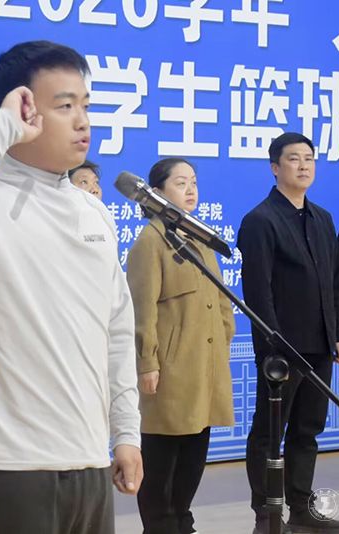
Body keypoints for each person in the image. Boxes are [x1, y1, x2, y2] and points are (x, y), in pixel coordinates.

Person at [0, 40, 142, 534]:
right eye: (64, 106)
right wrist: (1, 124)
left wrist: (125, 432)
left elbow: (117, 331)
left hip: (87, 458)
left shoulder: (94, 212)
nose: (82, 121)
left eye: (85, 105)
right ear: (23, 112)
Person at [238, 132, 339, 534]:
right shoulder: (260, 220)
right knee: (270, 433)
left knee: (308, 430)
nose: (303, 166)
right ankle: (267, 515)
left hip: (320, 345)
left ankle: (302, 509)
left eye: (309, 158)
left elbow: (333, 282)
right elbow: (258, 292)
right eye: (293, 159)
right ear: (274, 167)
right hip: (282, 352)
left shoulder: (322, 218)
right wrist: (272, 347)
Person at [127, 158, 234, 534]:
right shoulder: (150, 242)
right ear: (157, 192)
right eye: (180, 183)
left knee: (194, 450)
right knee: (161, 457)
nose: (190, 190)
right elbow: (142, 310)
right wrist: (147, 362)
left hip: (205, 365)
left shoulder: (200, 238)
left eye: (194, 183)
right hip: (169, 369)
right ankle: (160, 525)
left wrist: (224, 335)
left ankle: (182, 521)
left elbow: (220, 298)